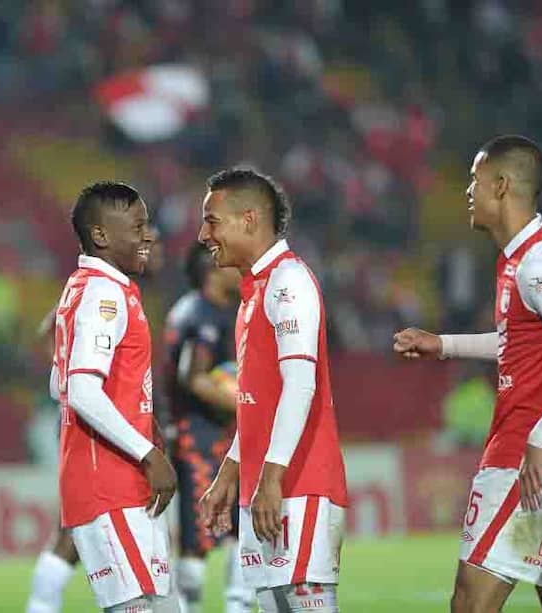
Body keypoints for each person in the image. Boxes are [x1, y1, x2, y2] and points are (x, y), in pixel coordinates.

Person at [392, 135, 542, 612]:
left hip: (523, 460)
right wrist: (444, 344)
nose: (468, 191)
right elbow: (526, 345)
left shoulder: (537, 264)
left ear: (502, 185)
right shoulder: (530, 254)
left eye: (474, 180)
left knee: (470, 604)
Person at [197, 169, 347, 612]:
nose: (204, 234)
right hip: (268, 486)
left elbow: (302, 385)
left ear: (248, 219)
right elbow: (260, 403)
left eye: (212, 220)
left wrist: (271, 477)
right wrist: (230, 471)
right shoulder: (254, 291)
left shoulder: (288, 282)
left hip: (297, 485)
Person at [51, 181, 180, 612]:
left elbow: (59, 384)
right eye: (138, 226)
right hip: (112, 484)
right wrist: (148, 453)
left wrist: (144, 421)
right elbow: (82, 389)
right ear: (101, 236)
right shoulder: (105, 294)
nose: (148, 235)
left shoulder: (82, 287)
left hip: (110, 483)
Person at [163, 243, 253, 613]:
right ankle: (190, 605)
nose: (238, 270)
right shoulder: (200, 315)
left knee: (237, 525)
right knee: (197, 536)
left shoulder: (211, 310)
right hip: (197, 434)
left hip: (219, 432)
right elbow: (194, 378)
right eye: (230, 265)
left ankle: (238, 605)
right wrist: (244, 405)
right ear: (213, 270)